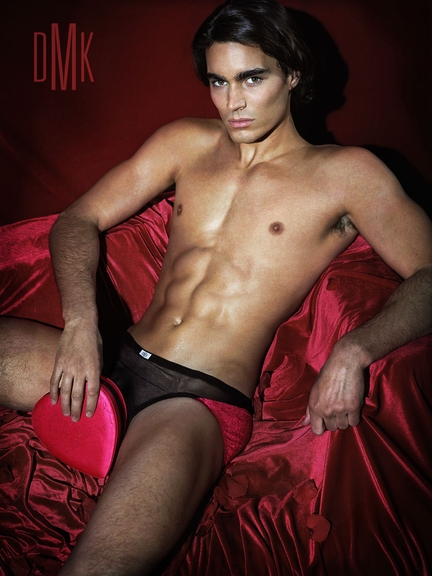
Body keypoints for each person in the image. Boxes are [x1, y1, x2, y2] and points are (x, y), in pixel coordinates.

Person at [1, 0, 432, 574]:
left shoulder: (348, 174)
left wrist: (355, 350)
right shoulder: (185, 142)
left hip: (194, 404)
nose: (233, 102)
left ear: (292, 74)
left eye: (252, 78)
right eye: (218, 81)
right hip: (114, 358)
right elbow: (78, 219)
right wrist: (80, 324)